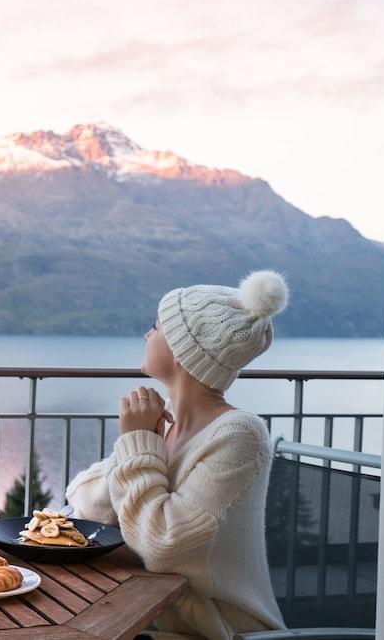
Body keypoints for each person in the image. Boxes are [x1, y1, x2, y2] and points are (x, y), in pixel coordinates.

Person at [66, 270, 289, 640]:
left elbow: (163, 544)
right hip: (150, 618)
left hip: (215, 631)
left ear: (184, 351)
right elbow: (87, 506)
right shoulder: (164, 421)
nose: (147, 334)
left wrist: (138, 441)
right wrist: (139, 445)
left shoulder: (239, 435)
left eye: (155, 327)